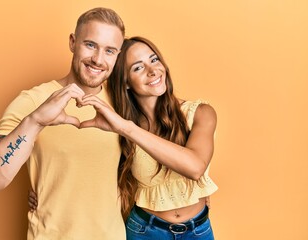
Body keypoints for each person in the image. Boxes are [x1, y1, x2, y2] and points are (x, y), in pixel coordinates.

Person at [29, 36, 219, 239]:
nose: (153, 71)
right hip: (144, 231)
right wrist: (45, 191)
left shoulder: (200, 112)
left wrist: (126, 128)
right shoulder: (118, 126)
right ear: (126, 83)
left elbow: (195, 167)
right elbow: (86, 168)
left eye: (154, 60)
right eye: (138, 68)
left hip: (198, 231)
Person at [0, 7, 126, 239]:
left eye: (109, 51)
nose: (98, 59)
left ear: (118, 56)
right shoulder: (32, 100)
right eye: (90, 45)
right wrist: (35, 121)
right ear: (73, 42)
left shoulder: (124, 103)